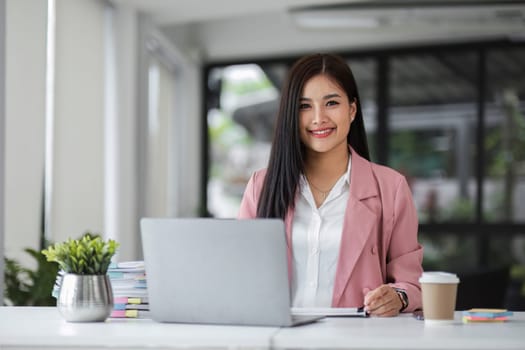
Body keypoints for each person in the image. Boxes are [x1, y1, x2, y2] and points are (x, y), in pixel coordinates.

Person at [238, 53, 423, 317]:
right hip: (278, 339)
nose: (318, 118)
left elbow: (412, 282)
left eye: (331, 103)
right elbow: (239, 273)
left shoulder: (391, 188)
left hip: (357, 340)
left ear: (352, 110)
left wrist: (398, 297)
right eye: (304, 106)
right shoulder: (261, 186)